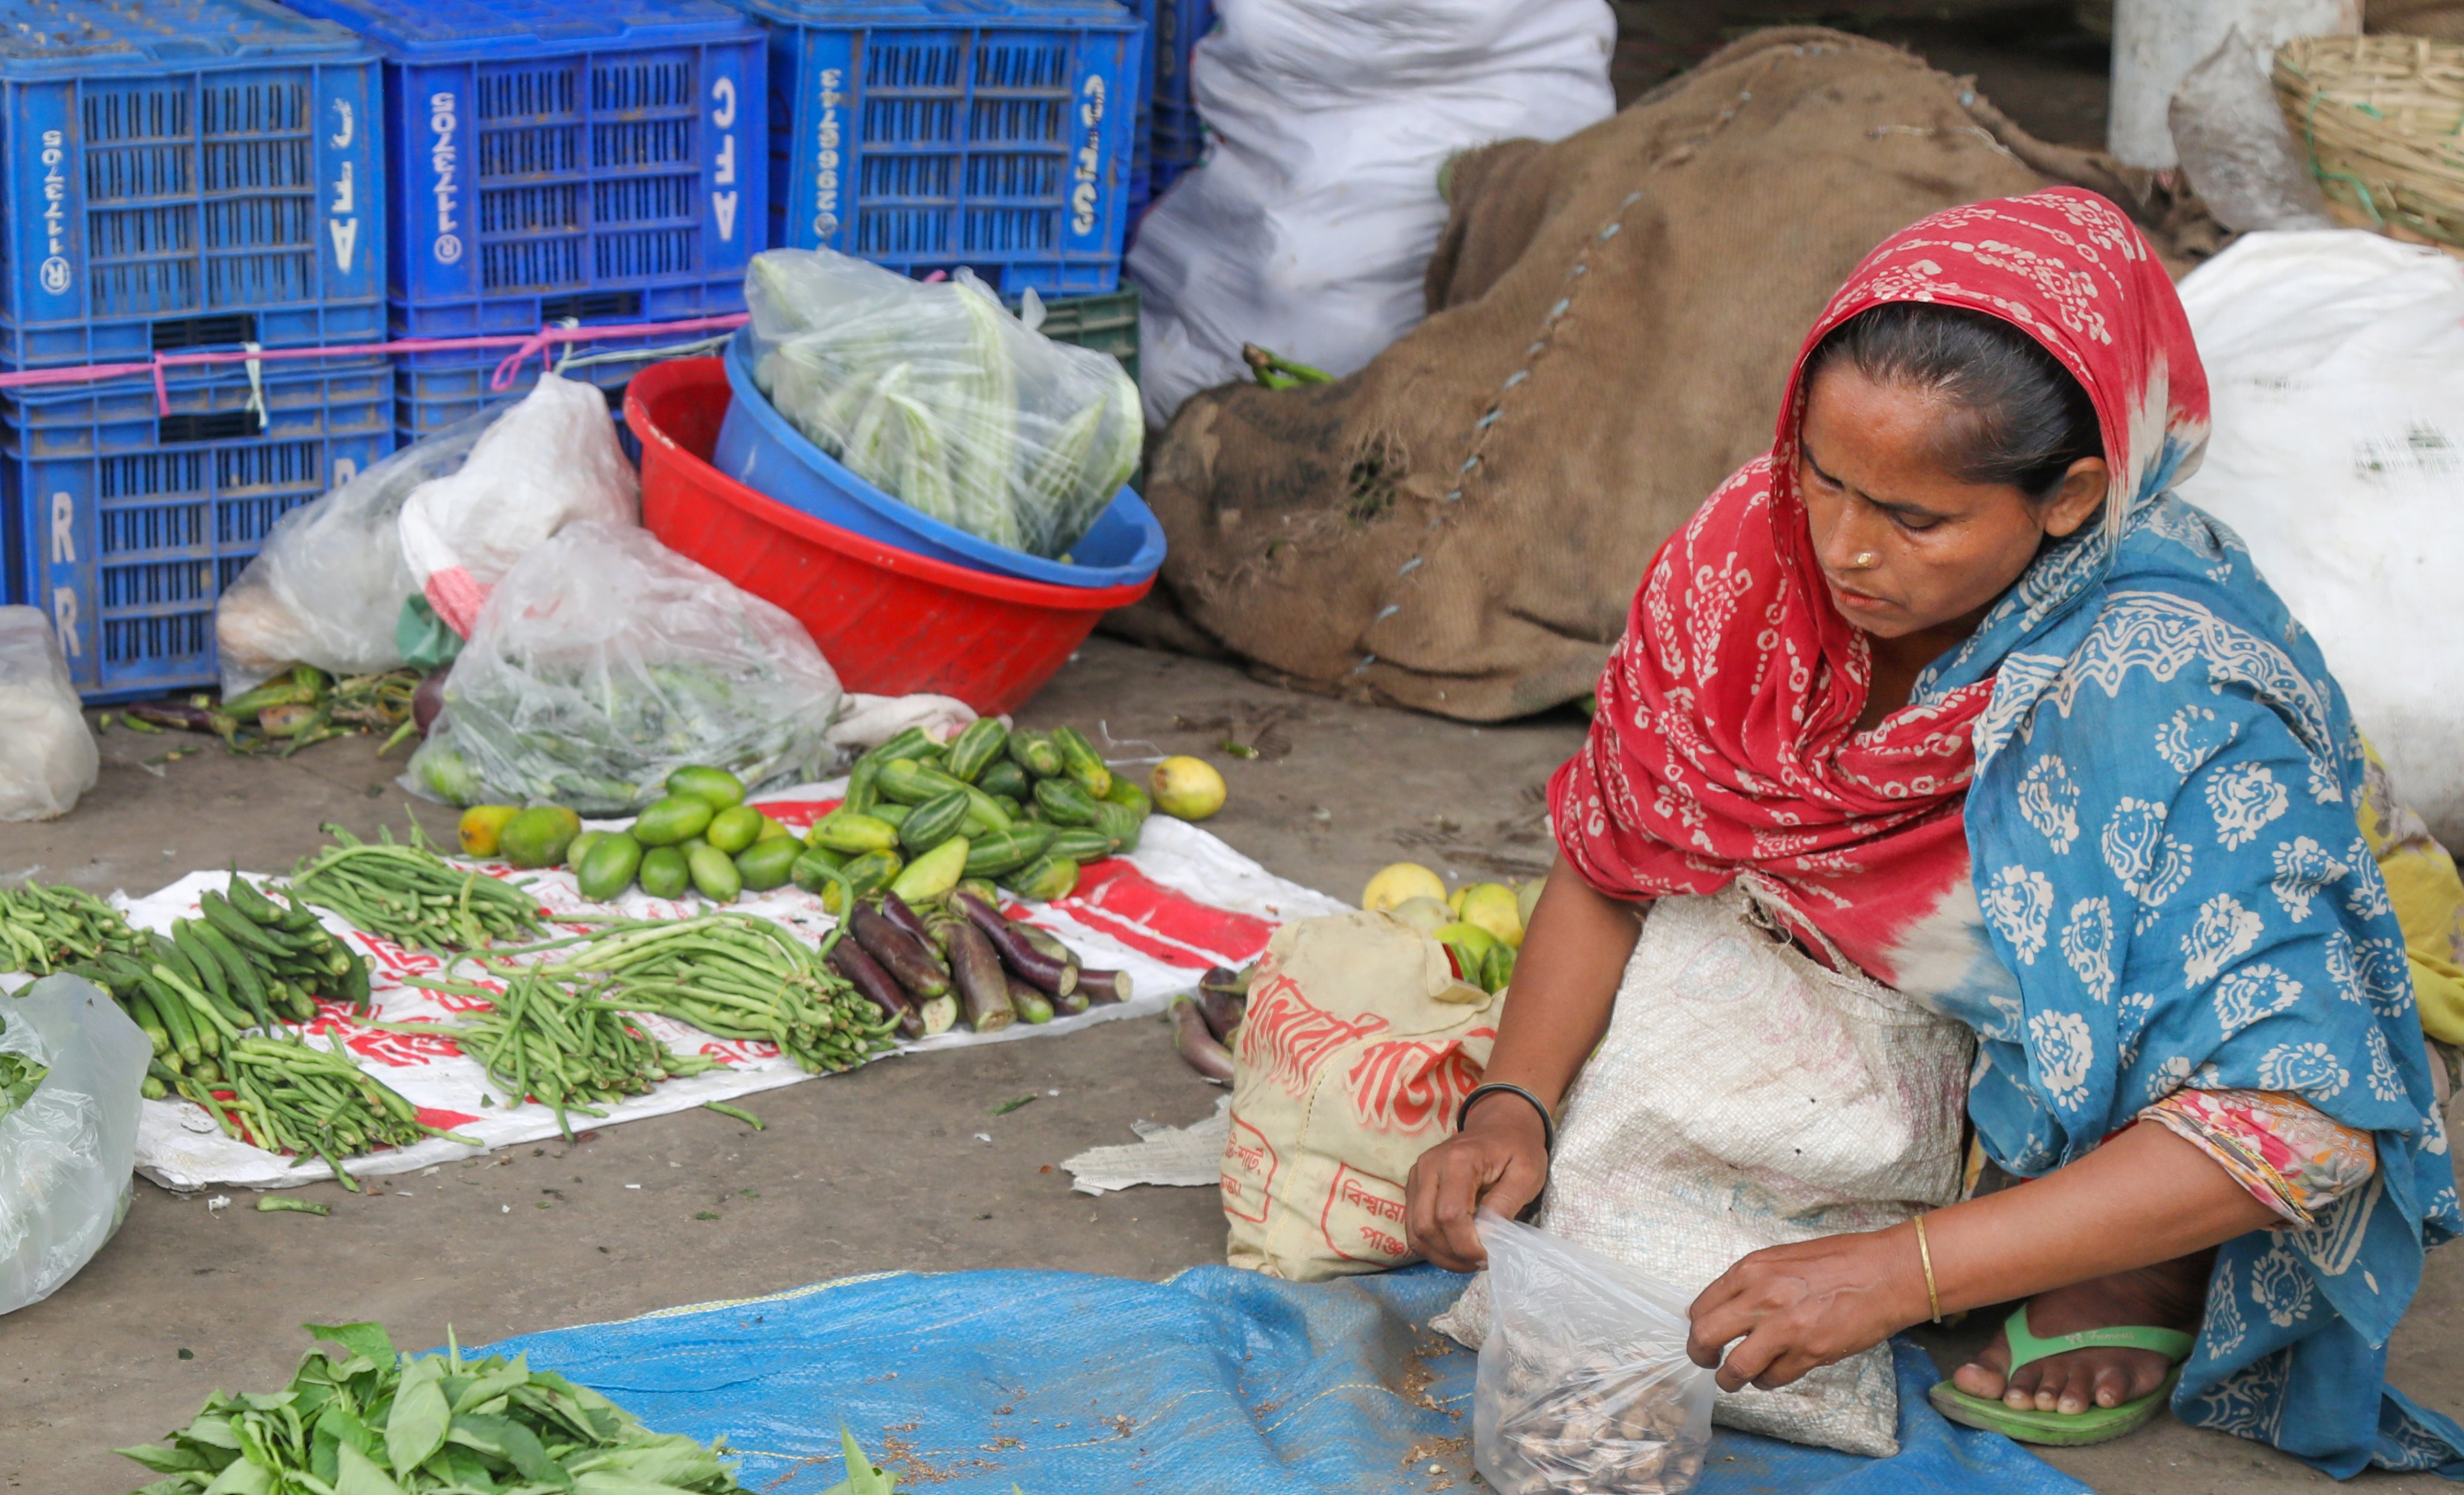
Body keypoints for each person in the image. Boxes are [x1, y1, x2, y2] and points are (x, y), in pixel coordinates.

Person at [1402, 188, 2464, 1475]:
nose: (1844, 550)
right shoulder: (1747, 555)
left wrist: (1895, 1275)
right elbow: (1622, 853)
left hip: (2058, 1063)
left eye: (1914, 521)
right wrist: (1510, 1104)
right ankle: (1944, 1224)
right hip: (1841, 1026)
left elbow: (2304, 1119)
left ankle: (2125, 1251)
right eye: (1821, 476)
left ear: (2068, 497)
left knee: (2164, 1028)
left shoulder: (2161, 684)